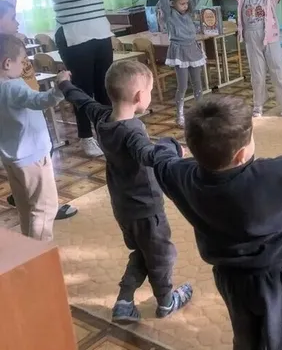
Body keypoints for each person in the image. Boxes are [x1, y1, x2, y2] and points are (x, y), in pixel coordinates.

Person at [122, 95, 282, 349]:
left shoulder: (183, 177)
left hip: (230, 279)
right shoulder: (275, 176)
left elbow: (162, 161)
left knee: (246, 338)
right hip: (278, 280)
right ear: (242, 154)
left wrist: (168, 144)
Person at [57, 60, 192, 323]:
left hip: (123, 207)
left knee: (142, 252)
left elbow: (82, 100)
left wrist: (64, 84)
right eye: (150, 91)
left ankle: (124, 301)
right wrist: (173, 148)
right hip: (146, 208)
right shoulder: (132, 132)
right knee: (162, 255)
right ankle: (166, 301)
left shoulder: (102, 117)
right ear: (140, 96)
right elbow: (147, 154)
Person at [8, 0, 163, 157]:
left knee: (105, 86)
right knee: (82, 89)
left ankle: (109, 130)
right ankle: (86, 137)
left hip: (100, 34)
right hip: (74, 38)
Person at [0, 0, 78, 220]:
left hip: (14, 147)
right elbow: (39, 100)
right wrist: (60, 88)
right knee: (42, 205)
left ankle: (30, 204)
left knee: (29, 199)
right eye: (12, 18)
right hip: (29, 145)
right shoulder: (11, 77)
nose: (17, 23)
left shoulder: (8, 55)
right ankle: (44, 216)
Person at [0, 33, 69, 241]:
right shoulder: (13, 87)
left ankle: (28, 249)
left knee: (25, 207)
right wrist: (60, 87)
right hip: (33, 158)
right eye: (22, 61)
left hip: (12, 159)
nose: (24, 66)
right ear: (7, 63)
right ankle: (39, 253)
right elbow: (40, 101)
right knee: (45, 208)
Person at [157, 0, 207, 127]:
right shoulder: (169, 14)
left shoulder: (188, 11)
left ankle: (200, 112)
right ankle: (179, 115)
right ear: (172, 4)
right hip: (179, 51)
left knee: (198, 84)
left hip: (192, 48)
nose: (186, 6)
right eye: (182, 3)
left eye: (186, 3)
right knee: (183, 85)